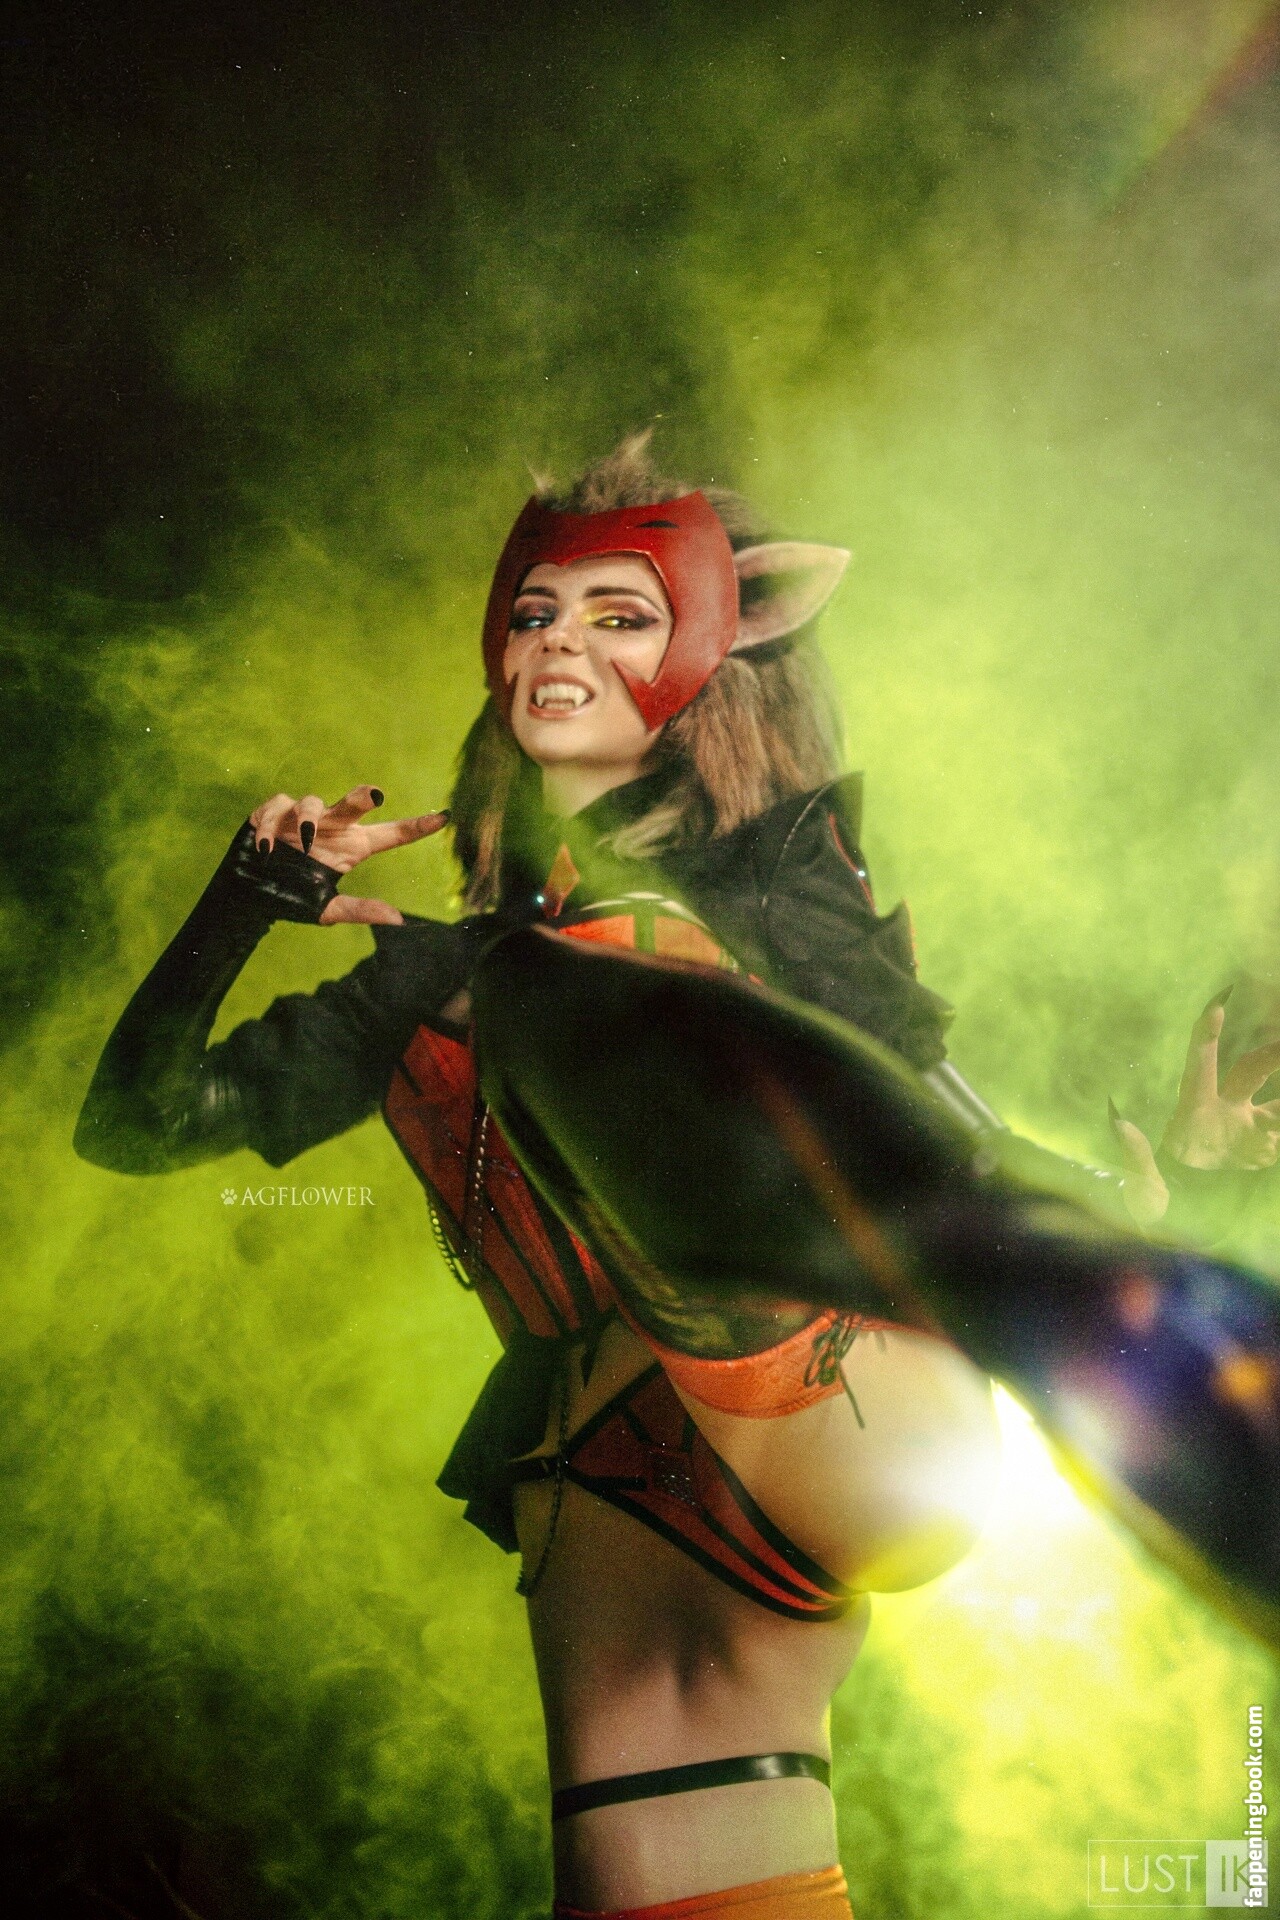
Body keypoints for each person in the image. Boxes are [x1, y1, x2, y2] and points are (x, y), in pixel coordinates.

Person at [75, 436, 1280, 1920]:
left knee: (548, 987)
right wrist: (248, 897)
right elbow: (135, 1125)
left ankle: (1135, 1356)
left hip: (835, 1393)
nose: (557, 643)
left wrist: (1140, 1195)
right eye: (535, 613)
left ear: (718, 644)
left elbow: (932, 1118)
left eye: (619, 615)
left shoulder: (767, 897)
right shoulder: (440, 973)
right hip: (629, 1479)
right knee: (645, 1851)